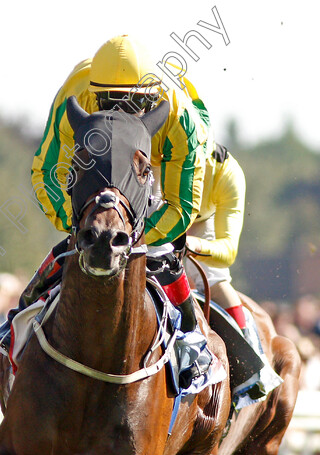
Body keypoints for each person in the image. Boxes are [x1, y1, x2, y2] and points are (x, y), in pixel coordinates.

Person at [25, 35, 214, 384]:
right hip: (98, 160)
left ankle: (192, 339)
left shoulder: (181, 120)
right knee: (89, 227)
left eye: (130, 104)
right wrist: (79, 226)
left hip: (156, 164)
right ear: (93, 96)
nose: (118, 112)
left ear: (150, 99)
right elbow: (46, 173)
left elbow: (181, 205)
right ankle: (24, 315)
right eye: (109, 102)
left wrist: (133, 237)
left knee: (159, 250)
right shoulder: (76, 93)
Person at [185, 143, 281, 397]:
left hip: (200, 221)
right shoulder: (149, 151)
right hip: (154, 211)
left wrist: (190, 244)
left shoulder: (227, 173)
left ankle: (248, 370)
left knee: (214, 279)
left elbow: (227, 251)